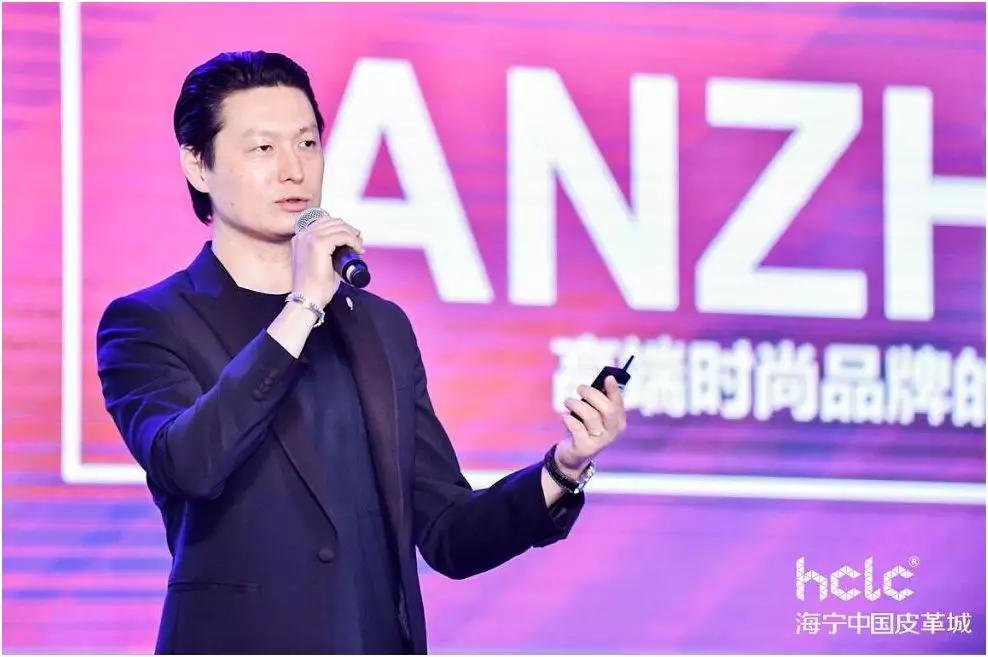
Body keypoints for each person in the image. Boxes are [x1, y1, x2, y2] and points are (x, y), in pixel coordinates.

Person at [96, 51, 628, 655]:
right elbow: (190, 464)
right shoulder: (150, 322)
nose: (293, 170)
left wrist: (564, 468)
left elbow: (447, 532)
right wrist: (301, 306)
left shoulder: (378, 326)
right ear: (198, 164)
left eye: (307, 143)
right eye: (263, 148)